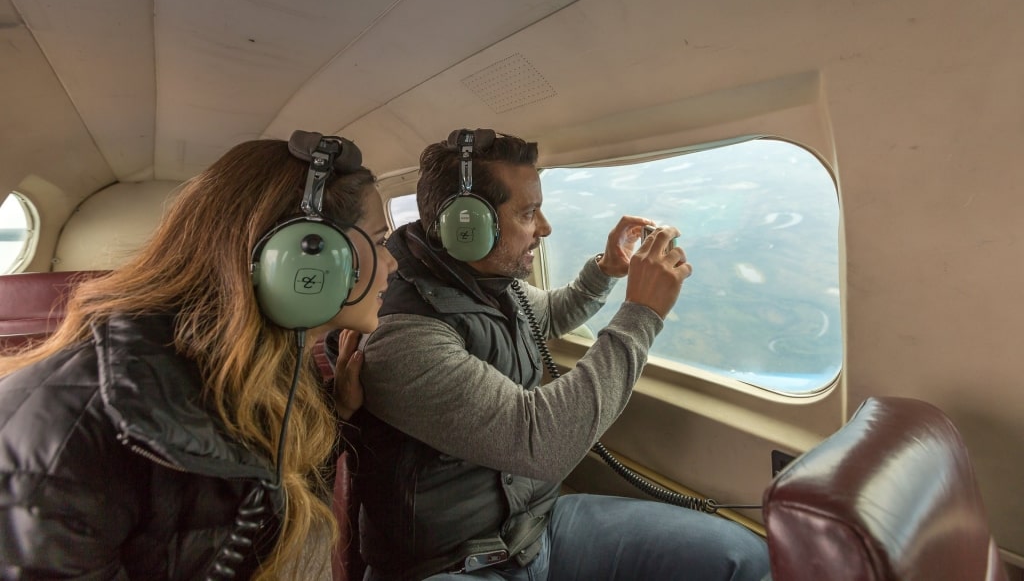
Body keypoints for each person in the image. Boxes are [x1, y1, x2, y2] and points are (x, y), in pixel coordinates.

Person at [352, 129, 771, 581]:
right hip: (449, 564)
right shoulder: (401, 336)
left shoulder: (489, 283)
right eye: (529, 213)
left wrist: (607, 269)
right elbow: (540, 441)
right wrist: (642, 313)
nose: (545, 228)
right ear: (467, 227)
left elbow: (549, 313)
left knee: (742, 557)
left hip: (536, 531)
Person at [0, 131, 397, 580]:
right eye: (380, 240)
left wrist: (337, 411)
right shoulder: (69, 436)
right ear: (305, 255)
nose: (393, 262)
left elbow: (244, 495)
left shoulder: (260, 368)